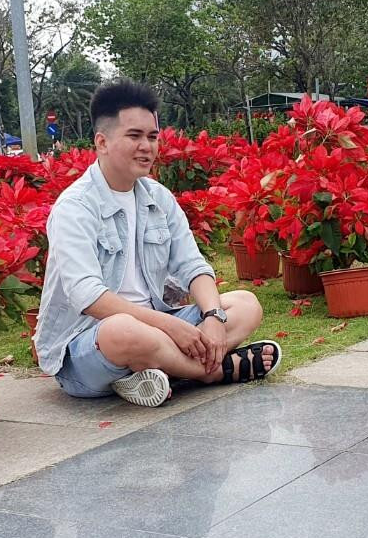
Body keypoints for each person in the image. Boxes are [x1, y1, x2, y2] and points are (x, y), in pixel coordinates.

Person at [35, 80, 281, 406]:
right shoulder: (75, 207)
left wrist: (213, 318)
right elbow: (88, 296)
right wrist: (171, 327)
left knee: (246, 305)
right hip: (89, 346)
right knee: (123, 330)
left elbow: (193, 266)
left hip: (157, 331)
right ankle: (210, 372)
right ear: (102, 142)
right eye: (134, 136)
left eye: (152, 137)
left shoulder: (158, 198)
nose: (146, 147)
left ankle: (157, 369)